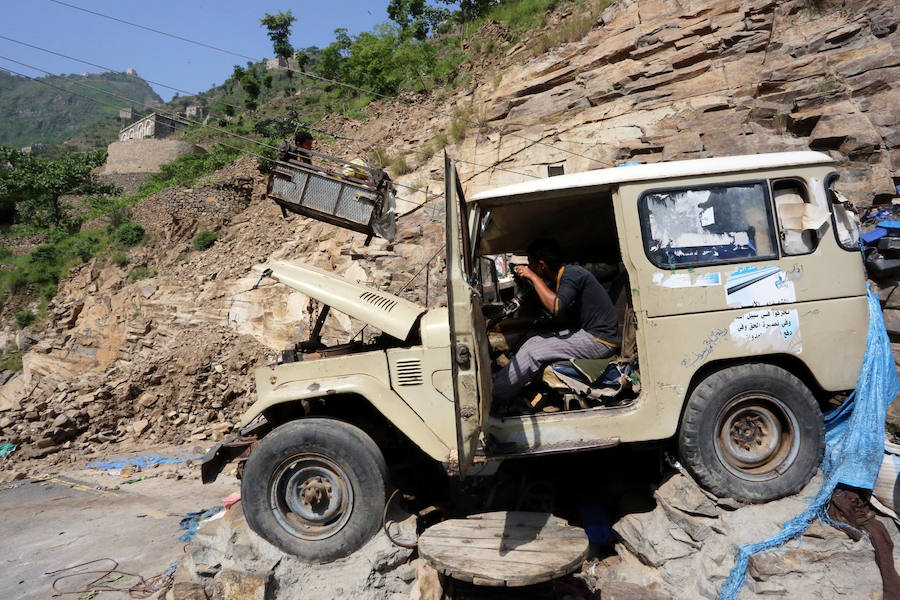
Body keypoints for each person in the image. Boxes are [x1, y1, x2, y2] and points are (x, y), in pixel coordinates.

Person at [492, 239, 620, 408]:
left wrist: (532, 276)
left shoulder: (572, 274)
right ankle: (504, 382)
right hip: (590, 335)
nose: (529, 268)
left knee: (533, 352)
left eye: (531, 264)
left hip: (599, 340)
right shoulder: (563, 277)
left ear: (541, 265)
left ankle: (494, 395)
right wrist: (529, 281)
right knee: (533, 341)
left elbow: (555, 307)